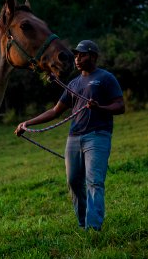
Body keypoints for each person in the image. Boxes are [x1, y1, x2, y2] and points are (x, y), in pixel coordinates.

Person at [15, 40, 125, 231]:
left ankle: (93, 228)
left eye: (82, 54)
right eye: (76, 55)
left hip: (97, 136)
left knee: (94, 181)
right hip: (74, 138)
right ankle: (83, 223)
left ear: (93, 56)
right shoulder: (73, 83)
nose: (77, 58)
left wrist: (101, 108)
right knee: (74, 182)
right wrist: (27, 123)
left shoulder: (106, 78)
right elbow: (55, 111)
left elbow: (120, 106)